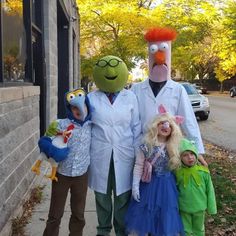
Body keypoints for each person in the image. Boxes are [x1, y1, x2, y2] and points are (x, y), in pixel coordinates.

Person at [131, 27, 207, 166]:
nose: (159, 58)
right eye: (154, 50)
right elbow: (132, 123)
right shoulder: (136, 89)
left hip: (169, 151)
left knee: (166, 183)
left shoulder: (177, 89)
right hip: (143, 150)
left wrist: (197, 150)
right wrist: (135, 150)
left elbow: (189, 121)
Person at [88, 55, 141, 236]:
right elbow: (86, 126)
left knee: (122, 197)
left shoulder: (130, 97)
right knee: (102, 196)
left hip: (124, 153)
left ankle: (121, 231)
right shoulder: (91, 98)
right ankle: (103, 231)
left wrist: (138, 156)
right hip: (100, 153)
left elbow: (136, 128)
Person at [125, 104, 185, 236]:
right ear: (156, 125)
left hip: (167, 186)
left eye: (169, 125)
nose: (165, 127)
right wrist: (135, 185)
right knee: (146, 213)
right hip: (148, 185)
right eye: (162, 123)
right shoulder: (147, 145)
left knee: (165, 214)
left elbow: (180, 164)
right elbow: (139, 165)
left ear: (173, 129)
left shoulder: (173, 147)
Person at [42, 88, 92, 236]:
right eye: (74, 107)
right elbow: (45, 140)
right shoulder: (61, 124)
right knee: (55, 214)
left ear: (87, 106)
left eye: (82, 106)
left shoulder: (92, 126)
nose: (78, 110)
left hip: (81, 176)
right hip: (61, 175)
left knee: (78, 214)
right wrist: (51, 149)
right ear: (69, 109)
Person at [176, 138, 217, 236]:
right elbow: (175, 190)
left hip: (200, 207)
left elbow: (210, 190)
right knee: (185, 230)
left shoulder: (203, 172)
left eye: (192, 154)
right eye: (185, 155)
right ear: (180, 158)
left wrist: (211, 207)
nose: (190, 158)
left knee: (199, 229)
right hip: (184, 207)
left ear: (196, 155)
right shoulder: (177, 173)